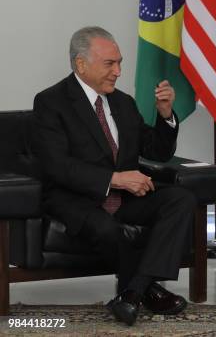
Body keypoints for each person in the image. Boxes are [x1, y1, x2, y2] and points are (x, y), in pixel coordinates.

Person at [32, 27, 197, 326]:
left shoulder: (122, 103)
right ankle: (148, 290)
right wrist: (116, 179)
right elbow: (57, 166)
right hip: (77, 198)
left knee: (181, 199)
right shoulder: (50, 102)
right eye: (110, 64)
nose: (118, 71)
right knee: (108, 229)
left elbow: (156, 151)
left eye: (120, 62)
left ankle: (132, 293)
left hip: (123, 198)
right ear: (81, 64)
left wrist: (165, 115)